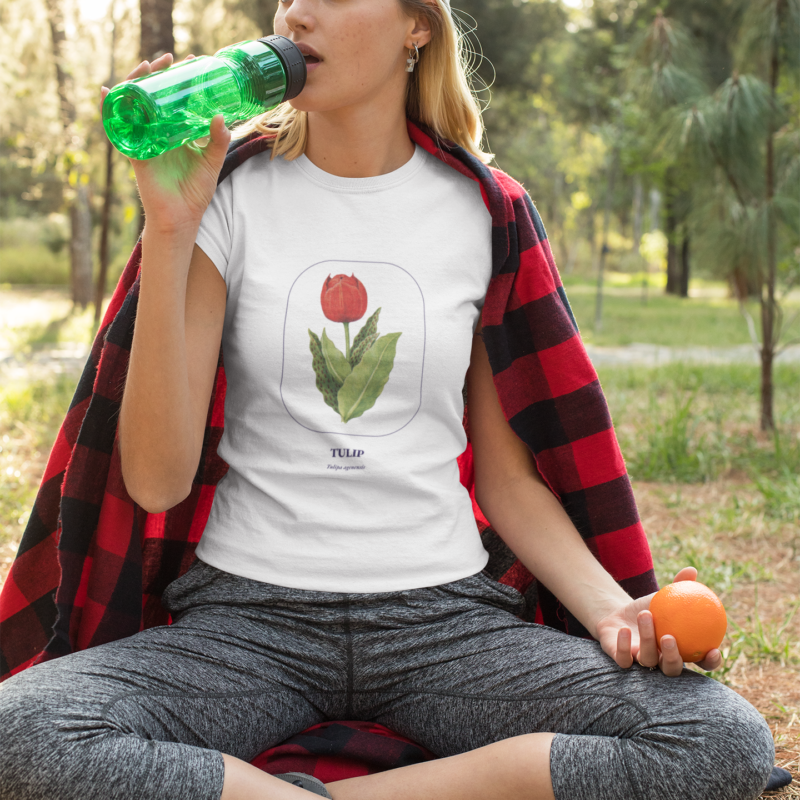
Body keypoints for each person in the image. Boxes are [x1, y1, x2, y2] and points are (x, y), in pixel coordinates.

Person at [0, 1, 777, 799]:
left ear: (418, 26)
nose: (298, 13)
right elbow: (158, 481)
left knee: (717, 743)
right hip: (245, 628)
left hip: (445, 628)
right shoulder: (224, 196)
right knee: (17, 732)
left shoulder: (485, 210)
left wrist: (615, 612)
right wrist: (168, 227)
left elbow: (508, 481)